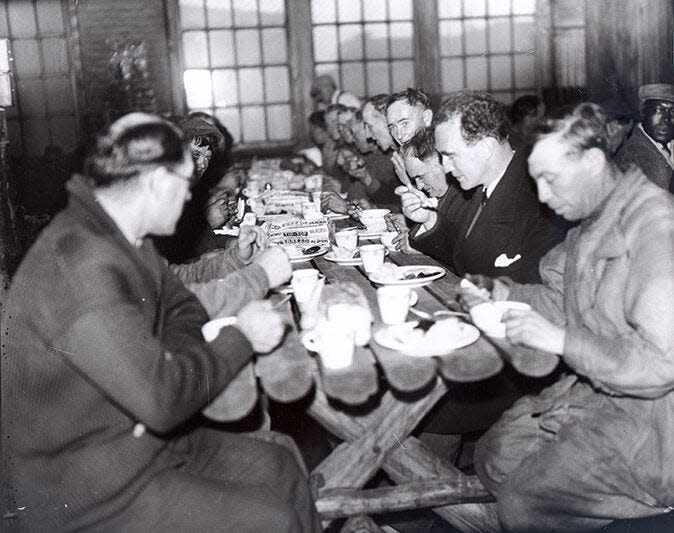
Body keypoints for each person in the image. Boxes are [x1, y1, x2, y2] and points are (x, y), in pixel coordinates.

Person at [1, 113, 320, 532]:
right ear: (155, 183)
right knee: (271, 521)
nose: (190, 198)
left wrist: (172, 358)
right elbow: (163, 403)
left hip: (136, 443)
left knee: (279, 465)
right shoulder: (79, 265)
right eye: (185, 184)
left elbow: (182, 306)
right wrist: (241, 338)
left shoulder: (126, 237)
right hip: (80, 486)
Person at [472, 103, 674, 531]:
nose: (542, 196)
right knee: (493, 456)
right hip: (599, 393)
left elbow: (662, 363)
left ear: (594, 161)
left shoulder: (655, 225)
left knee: (523, 502)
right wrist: (504, 295)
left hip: (655, 423)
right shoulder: (593, 219)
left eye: (550, 179)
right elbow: (558, 298)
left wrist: (562, 341)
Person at [429, 90, 563, 283]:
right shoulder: (484, 184)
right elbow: (466, 254)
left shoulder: (538, 201)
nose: (446, 168)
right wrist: (429, 222)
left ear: (486, 148)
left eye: (450, 156)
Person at [388, 128, 473, 262]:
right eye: (414, 179)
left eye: (421, 176)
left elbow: (468, 257)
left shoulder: (468, 198)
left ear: (443, 164)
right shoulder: (442, 195)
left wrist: (425, 251)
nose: (420, 186)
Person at [615, 83, 674, 190]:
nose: (666, 119)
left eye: (673, 112)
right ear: (643, 113)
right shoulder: (632, 156)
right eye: (658, 110)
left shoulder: (670, 145)